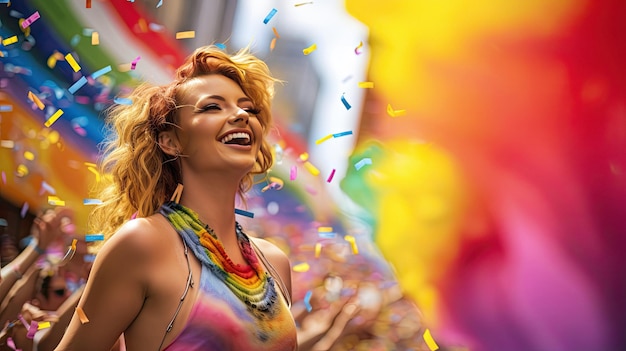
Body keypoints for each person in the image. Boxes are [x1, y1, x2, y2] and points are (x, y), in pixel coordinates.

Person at [55, 46, 298, 351]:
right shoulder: (142, 243)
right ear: (170, 141)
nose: (240, 115)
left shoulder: (274, 262)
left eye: (247, 108)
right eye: (212, 107)